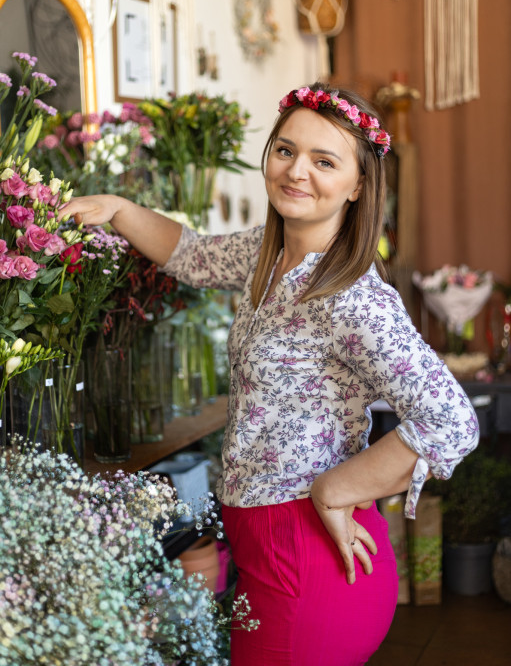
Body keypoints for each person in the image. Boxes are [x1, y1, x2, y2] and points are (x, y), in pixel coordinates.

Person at [63, 82, 479, 666]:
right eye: (285, 150)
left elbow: (452, 420)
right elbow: (197, 255)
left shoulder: (351, 297)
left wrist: (337, 488)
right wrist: (117, 210)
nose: (296, 171)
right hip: (269, 551)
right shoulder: (269, 253)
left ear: (359, 186)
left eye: (324, 160)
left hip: (311, 561)